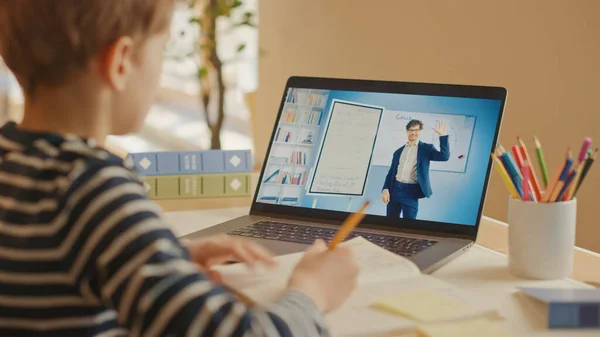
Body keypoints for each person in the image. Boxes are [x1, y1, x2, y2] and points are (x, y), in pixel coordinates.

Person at [0, 1, 359, 336]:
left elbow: (42, 265)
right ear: (121, 62)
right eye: (163, 49)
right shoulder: (92, 188)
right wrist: (312, 290)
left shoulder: (13, 161)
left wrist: (165, 256)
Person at [381, 119, 450, 219]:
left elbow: (444, 157)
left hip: (411, 192)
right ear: (407, 131)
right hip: (395, 190)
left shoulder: (426, 149)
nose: (413, 133)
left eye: (416, 130)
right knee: (390, 223)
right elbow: (391, 173)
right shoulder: (398, 152)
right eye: (411, 130)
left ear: (420, 131)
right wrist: (385, 189)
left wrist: (442, 136)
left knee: (409, 225)